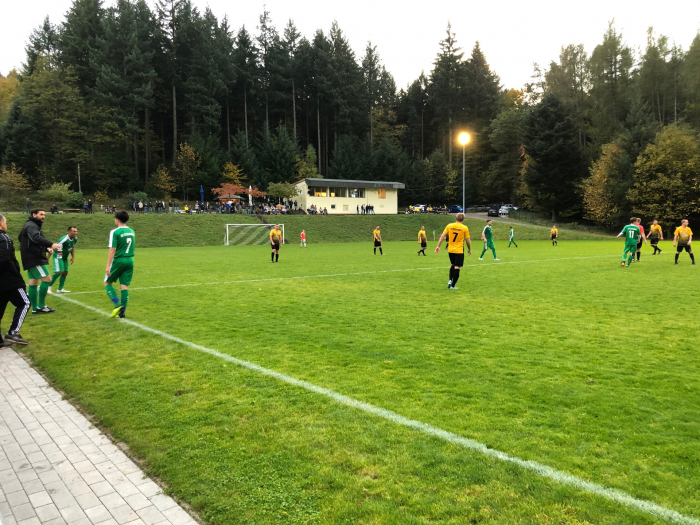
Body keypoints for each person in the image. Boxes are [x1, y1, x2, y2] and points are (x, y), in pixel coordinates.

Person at [18, 209, 62, 314]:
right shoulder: (32, 225)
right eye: (41, 214)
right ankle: (41, 306)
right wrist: (50, 244)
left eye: (44, 215)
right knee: (47, 279)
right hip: (34, 258)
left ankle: (34, 308)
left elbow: (21, 238)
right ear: (34, 215)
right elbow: (35, 238)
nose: (43, 216)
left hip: (29, 257)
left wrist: (45, 248)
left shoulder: (30, 225)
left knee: (33, 282)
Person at [0, 214, 31, 346]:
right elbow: (4, 258)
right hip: (10, 279)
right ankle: (13, 332)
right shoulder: (4, 238)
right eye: (5, 222)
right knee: (25, 302)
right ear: (1, 223)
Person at [105, 211, 135, 318]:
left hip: (119, 260)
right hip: (130, 260)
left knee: (107, 283)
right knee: (124, 286)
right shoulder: (131, 231)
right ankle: (122, 313)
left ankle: (118, 305)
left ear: (117, 219)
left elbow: (113, 249)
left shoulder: (115, 232)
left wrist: (108, 265)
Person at [435, 212, 471, 290]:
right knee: (457, 267)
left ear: (456, 218)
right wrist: (469, 249)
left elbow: (442, 236)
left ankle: (450, 280)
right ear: (463, 220)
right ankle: (452, 285)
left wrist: (438, 246)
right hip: (459, 250)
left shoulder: (449, 226)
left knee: (452, 265)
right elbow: (468, 240)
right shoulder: (464, 228)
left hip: (450, 250)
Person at [48, 226, 78, 294]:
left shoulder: (75, 239)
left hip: (65, 257)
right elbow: (54, 247)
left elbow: (72, 247)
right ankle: (48, 287)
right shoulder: (64, 239)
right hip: (58, 256)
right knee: (60, 271)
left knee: (65, 272)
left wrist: (73, 257)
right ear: (69, 232)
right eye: (74, 231)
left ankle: (60, 289)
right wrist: (48, 257)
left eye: (76, 231)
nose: (76, 233)